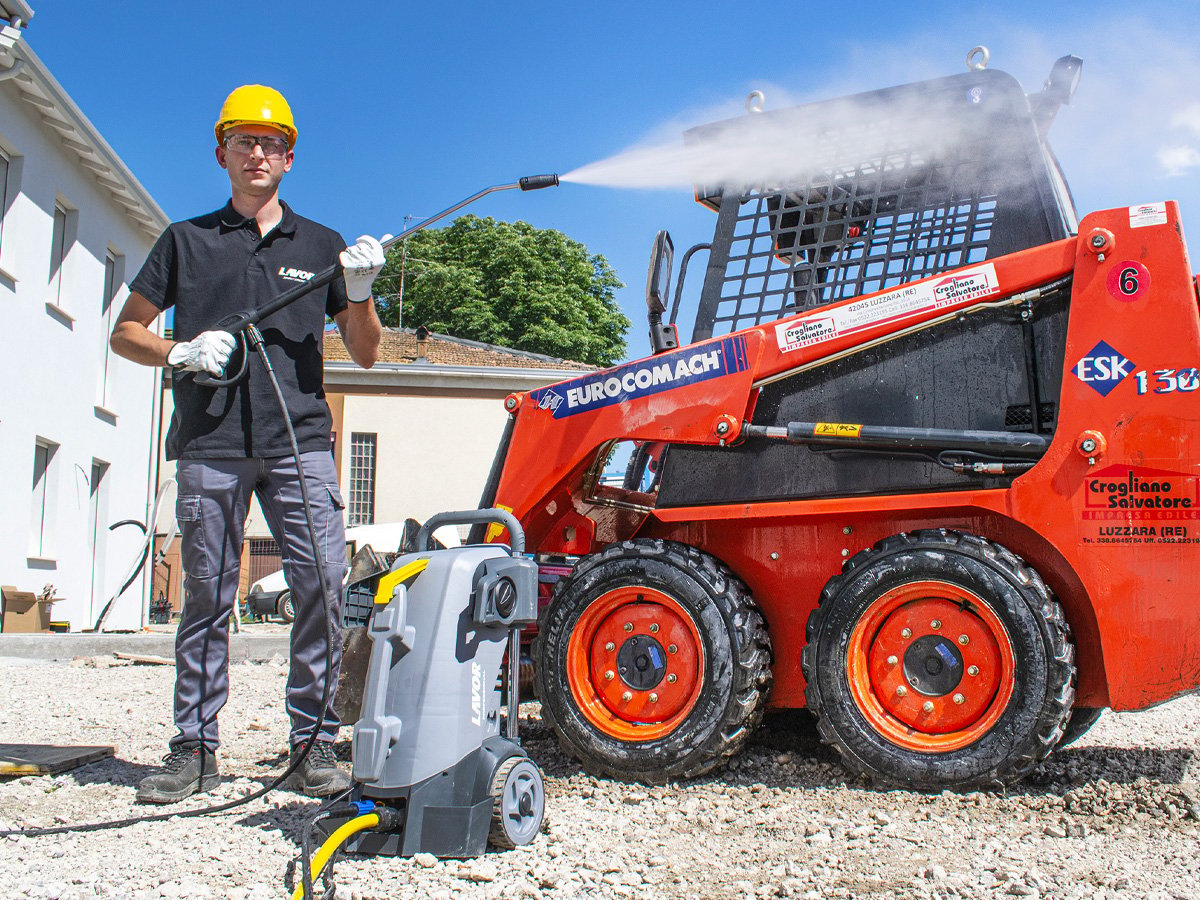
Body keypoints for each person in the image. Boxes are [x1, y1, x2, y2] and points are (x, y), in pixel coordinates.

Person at [110, 84, 385, 803]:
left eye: (271, 143)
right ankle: (194, 749)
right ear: (222, 153)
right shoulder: (185, 241)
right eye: (244, 141)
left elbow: (366, 355)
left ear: (289, 159)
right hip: (210, 440)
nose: (257, 153)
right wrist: (176, 352)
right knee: (205, 593)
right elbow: (126, 330)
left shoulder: (323, 246)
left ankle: (313, 743)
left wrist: (358, 292)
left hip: (300, 442)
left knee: (322, 587)